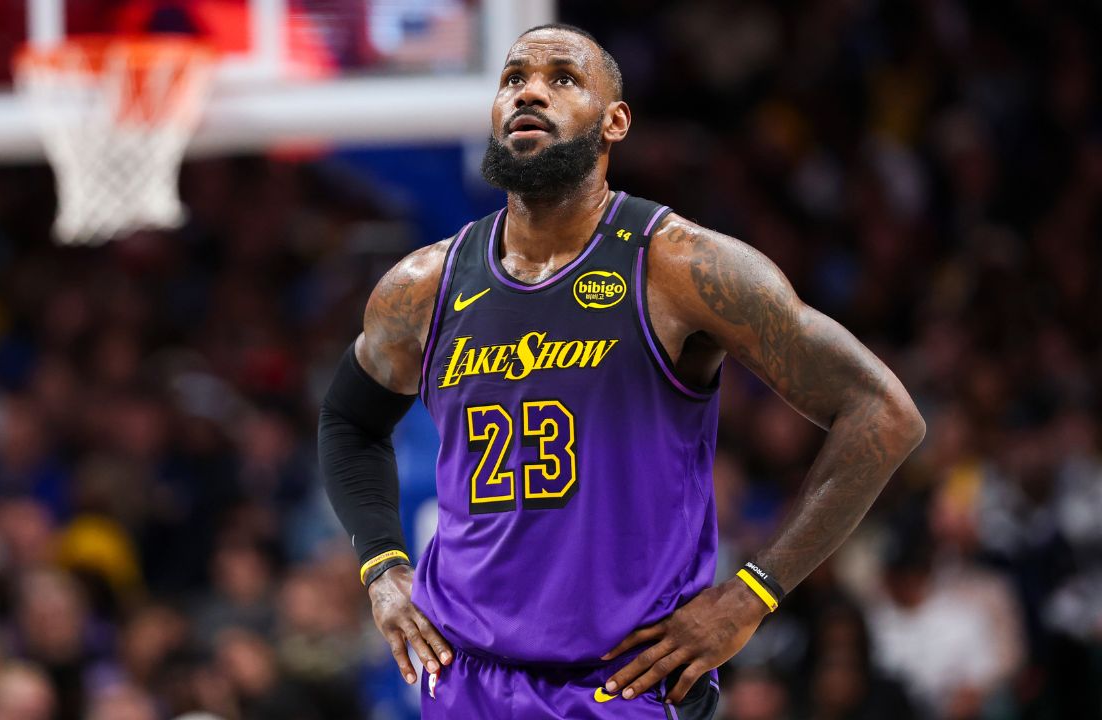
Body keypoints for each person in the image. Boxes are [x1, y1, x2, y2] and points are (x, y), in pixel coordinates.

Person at [319, 22, 925, 720]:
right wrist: (382, 569)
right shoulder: (423, 284)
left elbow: (883, 412)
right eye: (514, 78)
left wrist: (750, 594)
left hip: (623, 687)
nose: (530, 93)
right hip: (467, 681)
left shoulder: (680, 267)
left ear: (615, 123)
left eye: (563, 79)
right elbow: (347, 420)